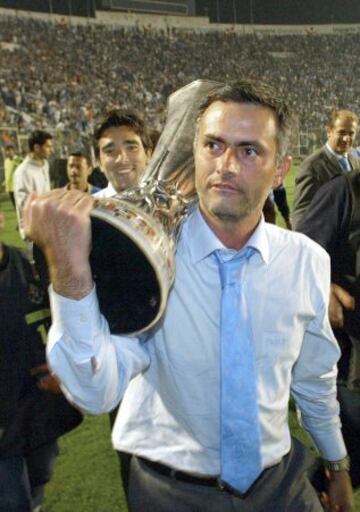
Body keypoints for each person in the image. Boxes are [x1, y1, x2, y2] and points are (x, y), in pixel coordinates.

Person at [24, 80, 353, 511]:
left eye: (249, 150)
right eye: (213, 146)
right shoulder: (144, 261)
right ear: (194, 153)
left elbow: (314, 378)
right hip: (173, 493)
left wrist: (338, 464)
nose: (226, 164)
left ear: (280, 170)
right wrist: (69, 275)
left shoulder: (305, 261)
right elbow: (94, 390)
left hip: (280, 485)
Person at [0, 208, 82, 512]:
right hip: (3, 416)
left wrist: (64, 368)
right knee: (11, 498)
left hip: (38, 406)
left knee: (39, 478)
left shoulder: (30, 265)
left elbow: (66, 319)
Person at [296, 169, 360, 491]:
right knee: (345, 463)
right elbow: (299, 260)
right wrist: (325, 285)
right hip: (351, 365)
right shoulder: (344, 192)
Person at [292, 110, 360, 229]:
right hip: (327, 243)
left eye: (351, 133)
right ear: (329, 131)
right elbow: (301, 213)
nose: (346, 138)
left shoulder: (355, 162)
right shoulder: (312, 165)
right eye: (342, 132)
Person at [93, 110, 153, 198]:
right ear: (99, 162)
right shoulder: (87, 210)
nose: (122, 159)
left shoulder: (169, 209)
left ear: (148, 155)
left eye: (131, 148)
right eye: (110, 151)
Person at [14, 130, 53, 239]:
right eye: (48, 147)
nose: (51, 150)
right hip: (33, 230)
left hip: (47, 225)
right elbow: (25, 206)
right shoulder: (23, 172)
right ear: (36, 148)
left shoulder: (45, 164)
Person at [3, 144, 22, 209]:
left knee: (19, 203)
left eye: (10, 150)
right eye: (7, 151)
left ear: (13, 151)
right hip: (9, 186)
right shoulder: (6, 161)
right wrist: (5, 182)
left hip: (17, 185)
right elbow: (7, 172)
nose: (8, 152)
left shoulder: (19, 160)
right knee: (14, 204)